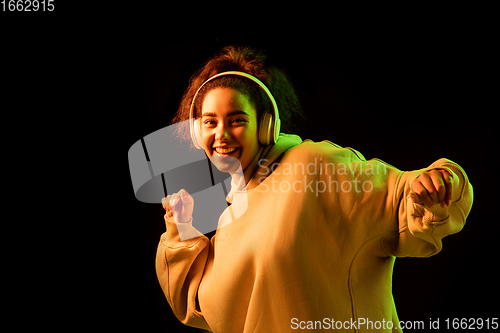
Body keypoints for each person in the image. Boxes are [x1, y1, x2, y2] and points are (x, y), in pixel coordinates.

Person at [155, 46, 473, 332]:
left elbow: (400, 199)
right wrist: (182, 228)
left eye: (236, 119)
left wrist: (437, 184)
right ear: (198, 134)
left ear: (266, 125)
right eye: (210, 122)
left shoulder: (313, 164)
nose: (221, 134)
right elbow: (204, 309)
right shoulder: (230, 219)